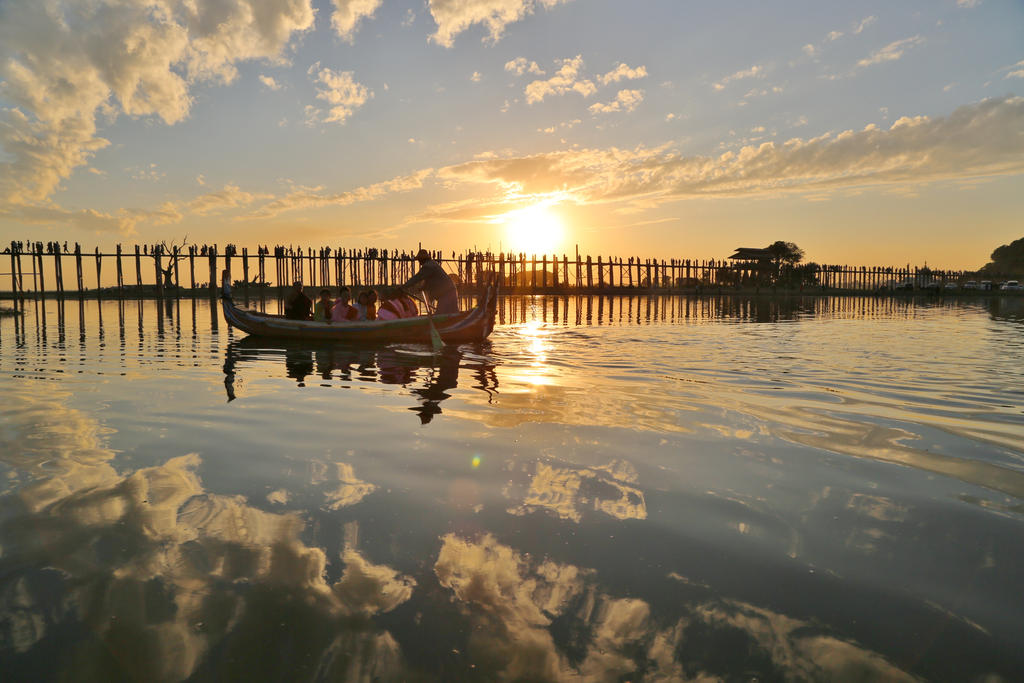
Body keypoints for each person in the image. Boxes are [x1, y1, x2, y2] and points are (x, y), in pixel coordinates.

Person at [404, 248, 458, 314]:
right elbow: (430, 281)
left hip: (446, 294)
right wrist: (422, 287)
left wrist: (403, 286)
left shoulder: (428, 266)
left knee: (440, 315)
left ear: (422, 259)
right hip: (451, 290)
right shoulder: (432, 264)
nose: (419, 262)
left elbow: (416, 278)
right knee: (453, 314)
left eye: (419, 260)